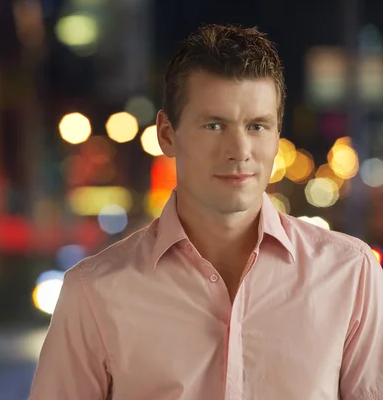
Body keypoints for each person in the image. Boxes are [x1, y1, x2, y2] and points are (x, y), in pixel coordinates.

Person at [28, 24, 383, 400]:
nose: (239, 150)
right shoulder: (93, 293)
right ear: (167, 134)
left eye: (257, 126)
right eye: (214, 125)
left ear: (277, 134)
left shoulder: (351, 275)